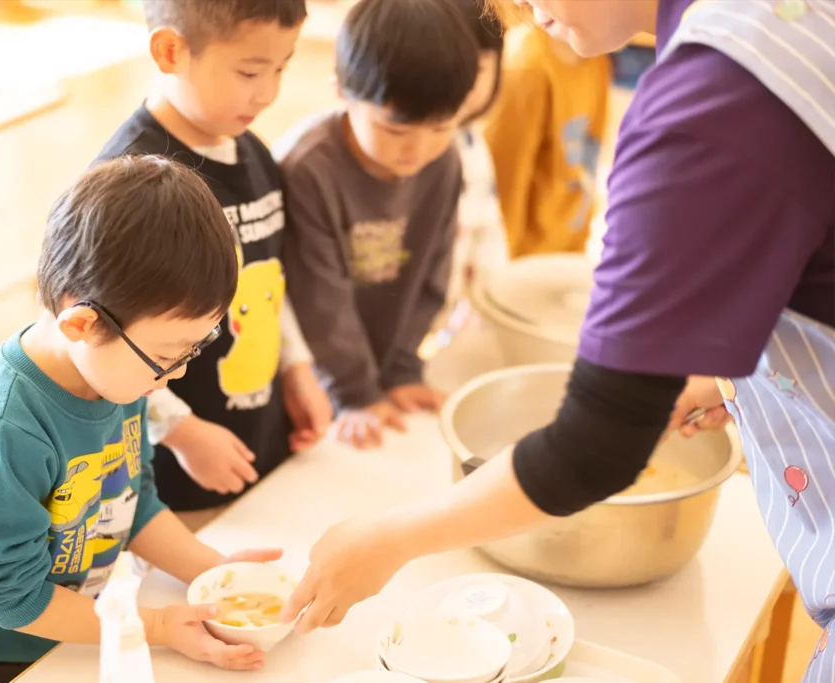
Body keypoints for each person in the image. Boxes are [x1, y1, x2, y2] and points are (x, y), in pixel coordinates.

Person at [280, 0, 835, 678]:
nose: (519, 12)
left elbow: (595, 445)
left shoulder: (708, 102)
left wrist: (386, 538)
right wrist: (727, 378)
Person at [0, 157, 284, 683]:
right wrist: (155, 625)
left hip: (55, 620)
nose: (176, 375)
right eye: (169, 354)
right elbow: (13, 599)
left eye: (193, 349)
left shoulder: (121, 373)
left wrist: (213, 573)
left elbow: (131, 504)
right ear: (83, 323)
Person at [93, 0, 332, 523]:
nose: (268, 92)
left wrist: (297, 369)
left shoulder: (254, 154)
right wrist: (179, 430)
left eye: (281, 67)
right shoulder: (129, 184)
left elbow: (268, 278)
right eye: (249, 71)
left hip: (258, 437)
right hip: (177, 472)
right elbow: (101, 340)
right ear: (170, 50)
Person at [276, 0, 478, 449]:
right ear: (343, 92)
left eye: (441, 127)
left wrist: (402, 370)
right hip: (314, 379)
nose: (419, 150)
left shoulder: (444, 162)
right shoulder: (308, 168)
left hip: (382, 373)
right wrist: (357, 392)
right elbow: (318, 299)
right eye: (396, 131)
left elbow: (434, 270)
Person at [483, 17, 610, 258]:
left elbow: (588, 161)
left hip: (569, 250)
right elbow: (505, 188)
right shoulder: (526, 67)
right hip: (524, 261)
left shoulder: (596, 56)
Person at [443, 0, 508, 316]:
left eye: (478, 67)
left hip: (453, 318)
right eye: (453, 64)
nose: (464, 80)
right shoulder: (407, 145)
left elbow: (489, 233)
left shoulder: (473, 145)